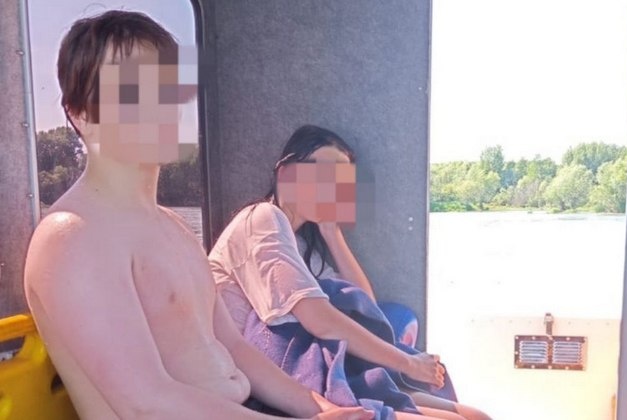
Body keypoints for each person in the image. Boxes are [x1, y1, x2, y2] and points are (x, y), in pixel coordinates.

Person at [23, 11, 373, 420]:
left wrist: (323, 408)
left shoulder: (173, 228)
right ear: (81, 115)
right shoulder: (71, 237)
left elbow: (235, 348)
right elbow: (144, 403)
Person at [209, 125, 491, 420]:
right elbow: (319, 320)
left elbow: (365, 308)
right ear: (285, 174)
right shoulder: (262, 219)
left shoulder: (301, 246)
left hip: (323, 369)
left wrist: (332, 234)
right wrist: (408, 364)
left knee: (476, 417)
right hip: (266, 381)